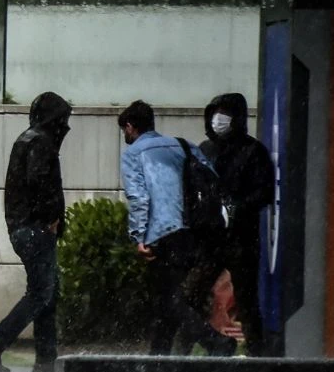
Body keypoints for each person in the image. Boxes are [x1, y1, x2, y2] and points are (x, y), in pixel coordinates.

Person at [117, 100, 237, 357]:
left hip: (161, 233)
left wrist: (139, 236)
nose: (125, 136)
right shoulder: (182, 145)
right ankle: (157, 359)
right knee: (166, 300)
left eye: (124, 130)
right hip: (191, 232)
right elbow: (212, 181)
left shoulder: (133, 153)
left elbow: (138, 197)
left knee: (172, 301)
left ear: (130, 126)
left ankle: (216, 343)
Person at [0, 92, 72, 372]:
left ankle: (46, 363)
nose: (65, 127)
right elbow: (38, 182)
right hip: (35, 228)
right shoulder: (41, 142)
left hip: (24, 227)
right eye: (63, 120)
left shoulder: (27, 139)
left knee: (48, 293)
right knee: (41, 294)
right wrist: (50, 217)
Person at [188, 92, 273, 354]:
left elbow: (264, 192)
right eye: (215, 112)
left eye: (224, 112)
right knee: (190, 296)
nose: (218, 119)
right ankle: (192, 348)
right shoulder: (205, 150)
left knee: (247, 302)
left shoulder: (253, 151)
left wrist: (237, 207)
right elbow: (194, 186)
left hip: (242, 240)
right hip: (210, 238)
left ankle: (258, 356)